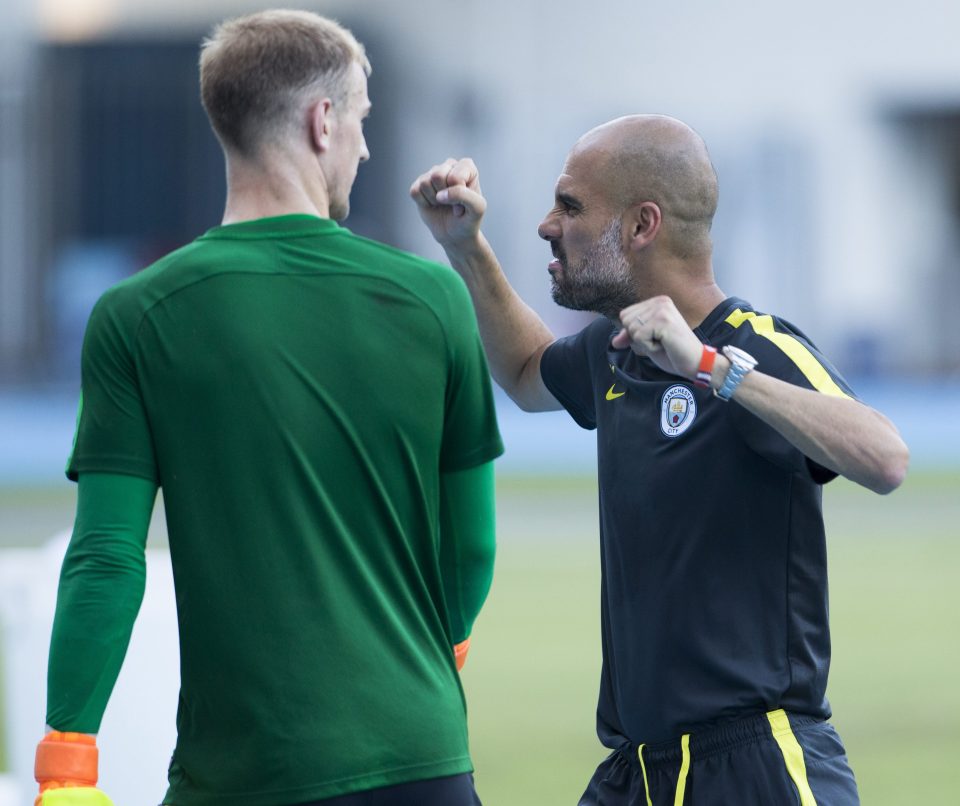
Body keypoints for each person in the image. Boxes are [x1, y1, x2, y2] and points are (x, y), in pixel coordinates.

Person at [35, 10, 503, 806]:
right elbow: (474, 546)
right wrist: (429, 657)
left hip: (242, 775)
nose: (364, 145)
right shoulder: (434, 300)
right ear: (323, 122)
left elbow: (107, 557)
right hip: (420, 757)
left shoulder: (137, 315)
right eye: (360, 119)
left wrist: (67, 761)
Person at [410, 114, 909, 805]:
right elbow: (526, 370)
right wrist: (465, 247)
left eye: (572, 205)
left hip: (755, 764)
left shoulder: (750, 345)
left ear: (642, 226)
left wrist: (710, 368)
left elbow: (885, 456)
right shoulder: (617, 348)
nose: (547, 224)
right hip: (637, 771)